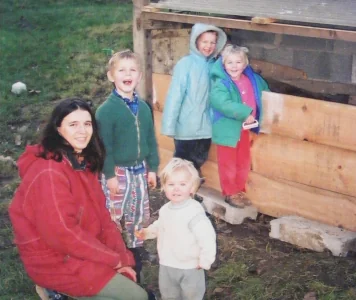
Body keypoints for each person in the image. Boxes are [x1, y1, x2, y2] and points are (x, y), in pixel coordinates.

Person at [8, 98, 149, 300]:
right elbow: (62, 234)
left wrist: (123, 258)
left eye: (87, 123)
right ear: (58, 129)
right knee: (137, 297)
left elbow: (103, 218)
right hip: (54, 259)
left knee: (132, 277)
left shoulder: (82, 162)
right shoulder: (50, 172)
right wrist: (113, 260)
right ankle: (54, 291)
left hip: (80, 248)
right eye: (73, 124)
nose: (82, 131)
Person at [96, 49, 160, 283]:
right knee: (113, 211)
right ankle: (109, 249)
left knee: (138, 210)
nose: (127, 74)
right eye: (121, 70)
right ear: (111, 76)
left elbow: (150, 139)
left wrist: (152, 167)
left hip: (140, 170)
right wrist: (109, 173)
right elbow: (105, 147)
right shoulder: (106, 111)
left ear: (140, 76)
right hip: (118, 171)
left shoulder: (143, 108)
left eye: (132, 70)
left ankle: (135, 248)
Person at [136, 158, 216, 300]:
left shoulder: (194, 212)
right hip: (167, 264)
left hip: (190, 266)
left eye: (182, 184)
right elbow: (161, 225)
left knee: (191, 296)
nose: (176, 188)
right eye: (171, 184)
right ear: (164, 187)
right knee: (169, 295)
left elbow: (207, 237)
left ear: (192, 188)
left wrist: (205, 260)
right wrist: (148, 232)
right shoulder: (166, 210)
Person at [161, 23, 227, 181]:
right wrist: (169, 125)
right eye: (204, 41)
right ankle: (176, 192)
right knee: (181, 164)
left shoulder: (216, 66)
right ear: (195, 42)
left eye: (212, 42)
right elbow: (174, 96)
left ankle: (189, 192)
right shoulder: (186, 64)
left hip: (206, 127)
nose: (208, 46)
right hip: (186, 127)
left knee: (198, 161)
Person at [210, 44, 270, 208]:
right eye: (230, 62)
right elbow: (222, 103)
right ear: (223, 64)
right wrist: (244, 112)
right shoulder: (221, 84)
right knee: (228, 162)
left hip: (244, 129)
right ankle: (230, 192)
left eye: (238, 62)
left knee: (243, 160)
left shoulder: (252, 80)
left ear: (245, 64)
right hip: (227, 130)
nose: (234, 66)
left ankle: (239, 190)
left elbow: (265, 92)